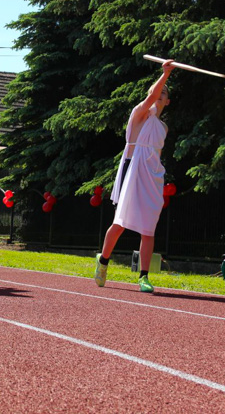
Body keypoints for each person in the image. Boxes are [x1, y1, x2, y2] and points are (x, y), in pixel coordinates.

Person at [95, 60, 174, 293]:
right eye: (158, 92)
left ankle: (144, 276)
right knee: (120, 223)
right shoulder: (139, 114)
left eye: (164, 94)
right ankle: (103, 262)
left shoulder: (163, 127)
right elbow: (152, 97)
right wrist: (165, 74)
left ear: (167, 101)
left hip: (152, 174)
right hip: (132, 168)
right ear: (152, 93)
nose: (160, 96)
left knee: (148, 227)